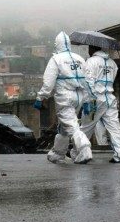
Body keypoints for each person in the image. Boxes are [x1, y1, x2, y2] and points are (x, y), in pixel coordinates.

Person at [33, 31, 93, 164]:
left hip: (64, 96)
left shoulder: (56, 59)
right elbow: (87, 81)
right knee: (64, 126)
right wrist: (87, 101)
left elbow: (48, 83)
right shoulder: (80, 58)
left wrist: (40, 97)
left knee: (71, 125)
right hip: (79, 96)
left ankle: (84, 149)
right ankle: (57, 153)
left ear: (56, 44)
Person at [80, 45, 120, 163]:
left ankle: (80, 153)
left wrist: (88, 100)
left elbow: (88, 82)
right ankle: (119, 154)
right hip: (110, 98)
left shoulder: (90, 62)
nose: (88, 51)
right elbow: (113, 78)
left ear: (93, 49)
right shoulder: (112, 63)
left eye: (89, 48)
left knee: (86, 127)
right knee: (114, 127)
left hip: (96, 99)